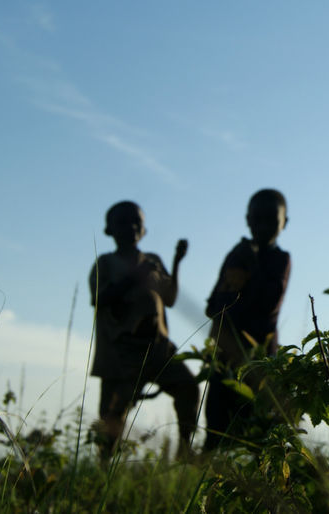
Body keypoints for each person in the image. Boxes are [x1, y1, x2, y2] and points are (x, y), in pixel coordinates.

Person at [89, 200, 199, 458]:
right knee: (112, 416)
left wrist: (176, 261)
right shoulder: (105, 264)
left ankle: (185, 448)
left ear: (144, 229)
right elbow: (100, 298)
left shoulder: (153, 261)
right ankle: (104, 468)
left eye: (136, 222)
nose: (131, 227)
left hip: (158, 349)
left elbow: (169, 298)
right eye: (123, 222)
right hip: (121, 355)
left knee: (188, 387)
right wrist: (134, 275)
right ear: (110, 230)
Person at [203, 188, 291, 450]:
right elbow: (212, 306)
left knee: (259, 438)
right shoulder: (236, 255)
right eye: (257, 219)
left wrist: (252, 263)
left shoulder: (280, 259)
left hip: (259, 361)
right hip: (224, 358)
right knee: (215, 433)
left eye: (271, 220)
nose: (263, 226)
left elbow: (268, 305)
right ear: (248, 220)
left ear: (284, 223)